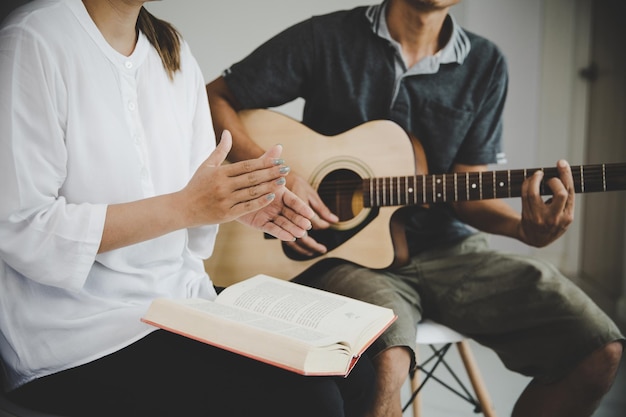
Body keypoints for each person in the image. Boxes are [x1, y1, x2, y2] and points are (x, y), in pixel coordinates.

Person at [205, 0, 625, 416]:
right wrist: (275, 174)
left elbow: (468, 189)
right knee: (386, 365)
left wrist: (522, 229)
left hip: (453, 251)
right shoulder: (325, 37)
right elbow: (214, 97)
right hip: (348, 257)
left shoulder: (485, 62)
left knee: (598, 349)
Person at [0, 1, 377, 416]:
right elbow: (24, 227)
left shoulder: (172, 49)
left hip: (179, 303)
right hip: (76, 334)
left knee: (356, 370)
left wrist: (237, 204)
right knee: (308, 401)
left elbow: (194, 197)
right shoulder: (33, 40)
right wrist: (188, 208)